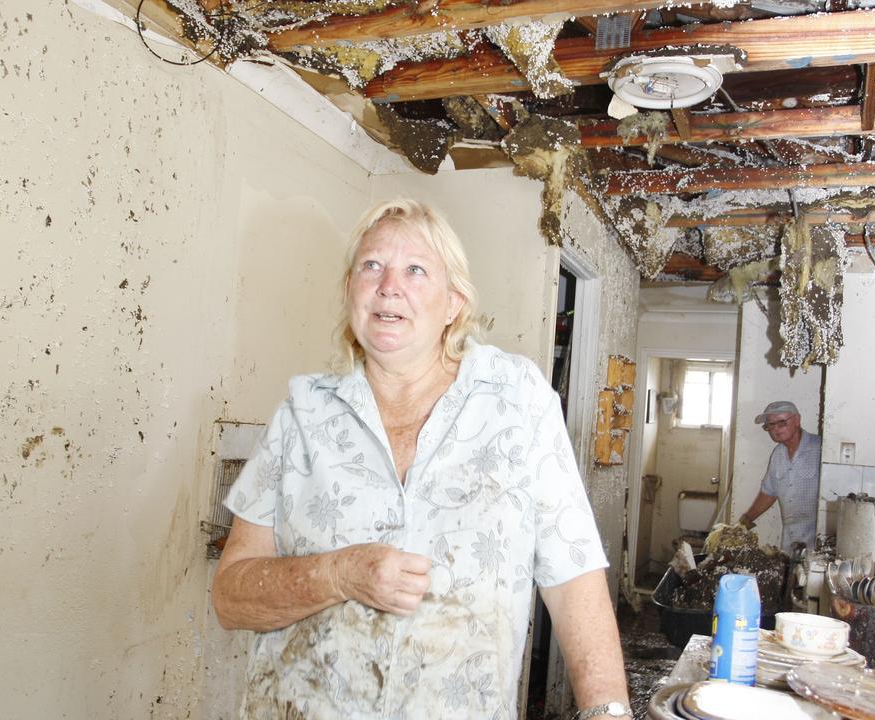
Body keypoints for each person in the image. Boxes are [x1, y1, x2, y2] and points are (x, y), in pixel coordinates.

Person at [210, 199, 630, 720]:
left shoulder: (516, 399)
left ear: (454, 303)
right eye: (371, 266)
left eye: (415, 269)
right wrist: (339, 574)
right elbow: (230, 597)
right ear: (350, 292)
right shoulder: (303, 413)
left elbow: (574, 578)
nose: (390, 286)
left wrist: (608, 711)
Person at [737, 400, 822, 551]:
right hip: (791, 539)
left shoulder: (821, 449)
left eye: (781, 423)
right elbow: (769, 492)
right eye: (770, 425)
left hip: (818, 540)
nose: (775, 429)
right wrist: (745, 521)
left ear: (797, 420)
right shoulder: (778, 454)